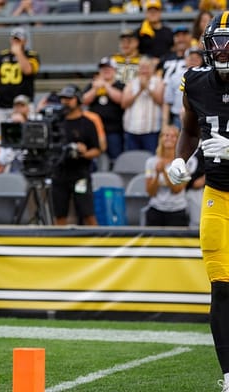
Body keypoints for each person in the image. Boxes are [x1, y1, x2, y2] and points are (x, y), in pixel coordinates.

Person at [168, 13, 229, 390]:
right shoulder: (195, 81)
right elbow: (190, 130)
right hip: (218, 196)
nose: (222, 49)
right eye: (217, 41)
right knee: (222, 286)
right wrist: (181, 158)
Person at [51, 84, 101, 226]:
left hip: (80, 174)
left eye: (69, 98)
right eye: (63, 99)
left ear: (78, 100)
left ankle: (97, 243)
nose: (65, 102)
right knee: (59, 215)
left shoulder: (87, 124)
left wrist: (84, 153)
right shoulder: (56, 123)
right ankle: (59, 244)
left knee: (88, 214)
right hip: (59, 173)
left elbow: (97, 150)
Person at [0, 26, 40, 143]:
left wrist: (18, 53)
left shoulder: (32, 55)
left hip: (23, 105)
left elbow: (28, 70)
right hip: (3, 104)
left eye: (18, 40)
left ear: (25, 41)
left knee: (26, 136)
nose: (15, 42)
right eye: (14, 39)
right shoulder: (2, 56)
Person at [82, 57, 125, 164]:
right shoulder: (93, 85)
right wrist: (95, 89)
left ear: (115, 70)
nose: (106, 71)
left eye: (109, 68)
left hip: (114, 130)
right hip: (95, 130)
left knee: (115, 158)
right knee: (95, 159)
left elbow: (120, 99)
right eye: (103, 68)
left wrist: (106, 85)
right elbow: (83, 101)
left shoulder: (120, 85)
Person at [144, 126, 189, 226]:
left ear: (178, 140)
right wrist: (157, 174)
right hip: (156, 209)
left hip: (177, 211)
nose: (169, 138)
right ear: (160, 139)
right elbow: (150, 192)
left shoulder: (183, 163)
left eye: (173, 136)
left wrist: (164, 172)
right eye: (166, 135)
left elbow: (177, 190)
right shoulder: (151, 162)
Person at [121, 56, 164, 154]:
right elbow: (124, 103)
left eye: (147, 68)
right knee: (132, 160)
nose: (144, 70)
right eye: (142, 68)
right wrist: (140, 90)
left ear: (152, 69)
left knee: (150, 158)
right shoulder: (131, 82)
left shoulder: (158, 81)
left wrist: (147, 88)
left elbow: (160, 100)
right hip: (132, 129)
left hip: (151, 130)